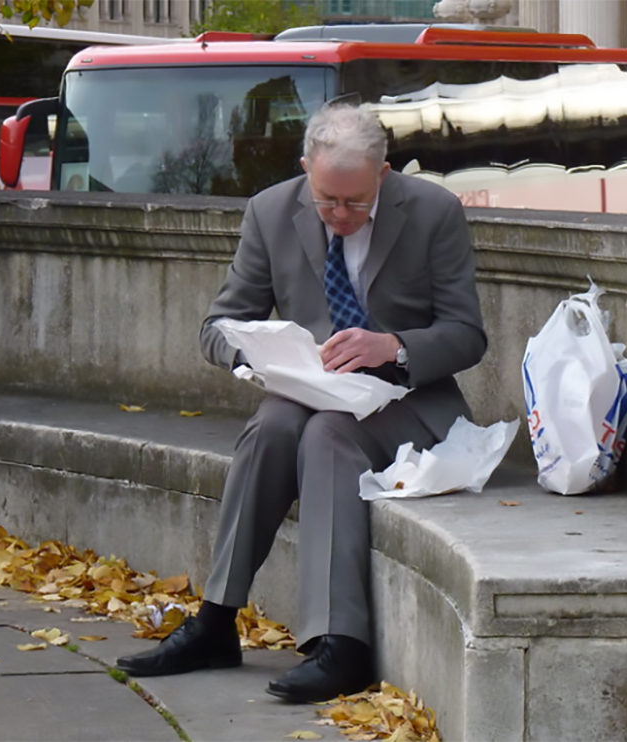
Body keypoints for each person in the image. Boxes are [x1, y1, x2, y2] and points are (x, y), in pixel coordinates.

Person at [115, 103, 487, 703]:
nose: (340, 215)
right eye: (326, 200)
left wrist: (392, 346)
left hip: (409, 400)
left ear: (384, 174)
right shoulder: (270, 211)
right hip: (312, 390)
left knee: (326, 436)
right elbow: (219, 325)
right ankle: (215, 620)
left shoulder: (432, 211)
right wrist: (260, 357)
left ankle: (341, 644)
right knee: (272, 427)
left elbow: (468, 335)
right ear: (305, 169)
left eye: (356, 202)